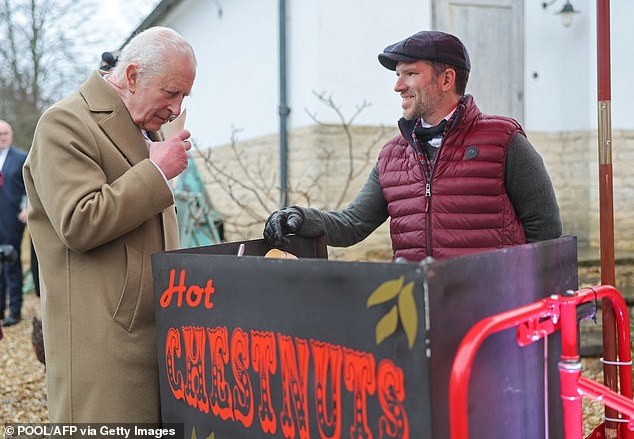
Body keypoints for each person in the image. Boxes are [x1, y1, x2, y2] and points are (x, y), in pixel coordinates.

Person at [264, 30, 562, 261]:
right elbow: (354, 223)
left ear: (447, 79)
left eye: (410, 74)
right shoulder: (393, 156)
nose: (398, 86)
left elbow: (546, 231)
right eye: (398, 75)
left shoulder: (503, 141)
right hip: (419, 312)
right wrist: (301, 218)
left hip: (491, 319)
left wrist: (526, 298)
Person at [23, 26, 196, 423]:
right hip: (104, 342)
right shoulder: (63, 123)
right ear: (132, 76)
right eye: (171, 92)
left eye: (184, 96)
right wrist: (155, 171)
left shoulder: (144, 126)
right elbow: (79, 221)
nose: (176, 107)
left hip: (153, 331)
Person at [0, 119, 28, 326]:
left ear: (11, 135)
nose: (2, 137)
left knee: (11, 262)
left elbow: (31, 186)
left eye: (5, 134)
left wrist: (27, 207)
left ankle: (15, 310)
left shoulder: (21, 158)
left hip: (12, 219)